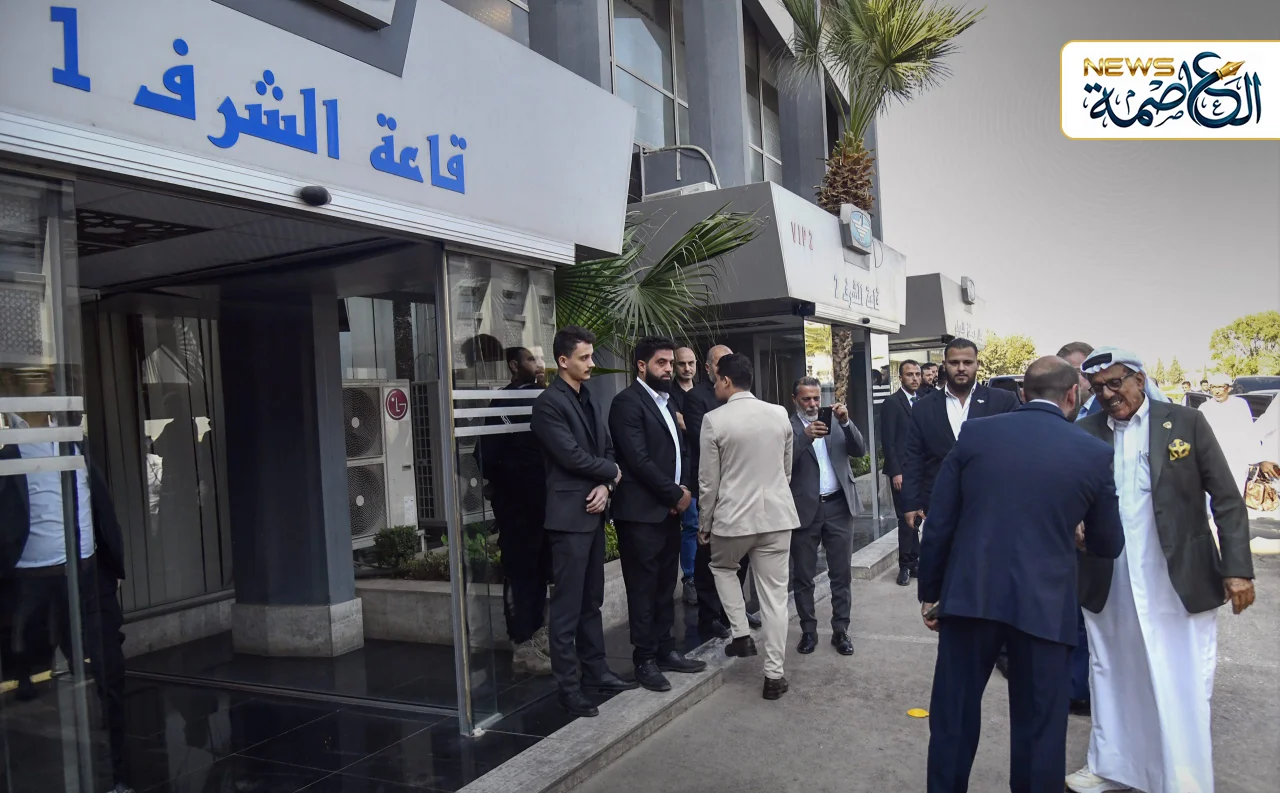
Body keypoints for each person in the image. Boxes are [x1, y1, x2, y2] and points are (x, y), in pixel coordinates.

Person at [919, 357, 1124, 793]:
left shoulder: (977, 434)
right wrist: (1078, 536)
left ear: (1022, 393)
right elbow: (1109, 542)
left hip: (971, 597)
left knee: (954, 716)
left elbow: (940, 521)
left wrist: (932, 592)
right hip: (1045, 605)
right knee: (1040, 728)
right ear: (1073, 395)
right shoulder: (1093, 452)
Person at [1067, 347, 1255, 793]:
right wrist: (1071, 520)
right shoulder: (1085, 431)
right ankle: (1111, 766)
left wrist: (1237, 568)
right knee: (1113, 670)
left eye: (1116, 383)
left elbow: (1227, 499)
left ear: (1139, 378)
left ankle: (1185, 779)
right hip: (1110, 575)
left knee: (1181, 673)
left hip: (1178, 573)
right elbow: (1067, 493)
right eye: (1099, 388)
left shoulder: (1185, 422)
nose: (1108, 395)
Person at [0, 368, 131, 793]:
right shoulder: (7, 447)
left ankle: (117, 776)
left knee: (107, 676)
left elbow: (95, 502)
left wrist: (108, 567)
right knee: (30, 687)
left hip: (88, 576)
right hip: (30, 584)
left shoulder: (74, 438)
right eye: (32, 379)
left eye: (48, 379)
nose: (48, 386)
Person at [530, 327, 637, 717]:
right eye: (585, 357)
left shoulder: (588, 397)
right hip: (568, 519)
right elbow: (570, 455)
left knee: (592, 599)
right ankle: (568, 688)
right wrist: (611, 472)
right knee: (567, 606)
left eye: (591, 356)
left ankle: (596, 671)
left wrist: (607, 486)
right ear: (563, 361)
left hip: (594, 509)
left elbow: (605, 448)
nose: (592, 363)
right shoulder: (548, 404)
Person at [697, 354, 800, 700]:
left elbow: (708, 482)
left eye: (715, 379)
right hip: (777, 517)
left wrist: (705, 522)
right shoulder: (780, 414)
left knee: (722, 567)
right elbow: (786, 470)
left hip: (733, 519)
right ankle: (774, 676)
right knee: (774, 598)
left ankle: (741, 634)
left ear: (726, 381)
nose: (714, 385)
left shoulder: (714, 420)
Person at [608, 337, 705, 692]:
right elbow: (638, 460)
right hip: (641, 515)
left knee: (666, 586)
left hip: (669, 512)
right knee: (643, 589)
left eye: (670, 363)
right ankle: (644, 659)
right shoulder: (626, 403)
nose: (668, 369)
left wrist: (686, 488)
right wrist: (675, 494)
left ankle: (666, 650)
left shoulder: (668, 401)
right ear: (641, 365)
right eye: (661, 363)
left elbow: (684, 451)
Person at [480, 346, 551, 676]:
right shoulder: (504, 402)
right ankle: (522, 645)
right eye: (531, 359)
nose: (539, 364)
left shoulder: (542, 398)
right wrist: (509, 488)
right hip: (517, 508)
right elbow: (487, 455)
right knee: (521, 571)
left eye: (541, 358)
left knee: (540, 571)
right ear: (514, 365)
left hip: (545, 505)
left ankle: (537, 634)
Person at [683, 344, 756, 640]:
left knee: (741, 555)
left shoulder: (744, 398)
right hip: (713, 486)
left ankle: (733, 611)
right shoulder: (697, 397)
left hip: (742, 487)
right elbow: (702, 438)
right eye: (719, 362)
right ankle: (710, 615)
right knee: (710, 556)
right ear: (709, 368)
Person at [788, 376, 866, 656]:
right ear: (795, 399)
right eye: (806, 399)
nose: (812, 404)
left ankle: (841, 630)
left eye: (816, 398)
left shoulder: (835, 420)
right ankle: (808, 631)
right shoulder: (788, 427)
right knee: (803, 575)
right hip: (804, 510)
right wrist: (805, 437)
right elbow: (781, 463)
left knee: (841, 573)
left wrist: (845, 422)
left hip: (838, 507)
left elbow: (860, 450)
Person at [1055, 340, 1097, 714]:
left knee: (1087, 613)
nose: (1077, 379)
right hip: (1059, 531)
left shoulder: (1110, 413)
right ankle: (1072, 686)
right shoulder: (1059, 414)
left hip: (1095, 534)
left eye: (1081, 371)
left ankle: (1081, 688)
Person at [881, 360, 924, 586]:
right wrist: (896, 471)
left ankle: (915, 561)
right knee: (905, 518)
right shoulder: (892, 403)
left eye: (917, 374)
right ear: (901, 378)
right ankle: (905, 566)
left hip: (921, 472)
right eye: (910, 374)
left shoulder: (924, 401)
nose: (915, 378)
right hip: (902, 472)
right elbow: (888, 441)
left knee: (917, 518)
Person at [1197, 372, 1259, 497]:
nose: (1217, 391)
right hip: (1212, 458)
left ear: (1229, 388)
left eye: (1221, 387)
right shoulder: (1204, 407)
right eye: (1214, 387)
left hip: (1236, 458)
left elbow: (1249, 431)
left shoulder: (1240, 404)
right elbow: (1198, 434)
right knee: (1213, 494)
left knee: (1235, 492)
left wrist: (1254, 458)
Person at [671, 346, 699, 606]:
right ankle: (689, 579)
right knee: (691, 525)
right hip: (684, 470)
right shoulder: (669, 395)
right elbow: (681, 426)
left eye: (691, 363)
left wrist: (689, 424)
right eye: (682, 364)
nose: (687, 368)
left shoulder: (703, 392)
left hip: (706, 466)